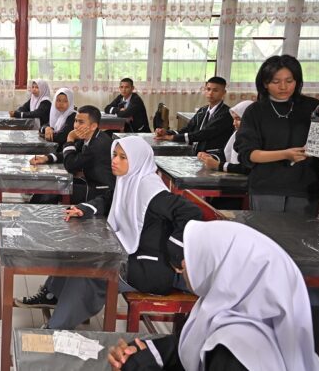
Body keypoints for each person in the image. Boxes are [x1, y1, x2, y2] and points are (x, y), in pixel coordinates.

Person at [17, 136, 201, 329]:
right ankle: (52, 295)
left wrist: (175, 250)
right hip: (132, 254)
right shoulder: (130, 179)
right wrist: (86, 208)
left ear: (137, 160)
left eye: (123, 157)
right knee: (79, 252)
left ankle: (56, 328)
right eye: (114, 155)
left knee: (92, 270)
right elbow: (110, 197)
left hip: (149, 268)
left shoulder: (152, 191)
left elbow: (191, 212)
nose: (115, 161)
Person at [107, 220, 319, 371]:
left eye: (193, 258)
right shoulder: (231, 315)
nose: (182, 266)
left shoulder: (237, 350)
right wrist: (146, 353)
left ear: (224, 268)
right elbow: (191, 346)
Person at [235, 55, 319, 216]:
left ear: (297, 81)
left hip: (306, 188)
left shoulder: (314, 107)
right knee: (267, 237)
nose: (283, 87)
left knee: (300, 239)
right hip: (267, 187)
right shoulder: (255, 111)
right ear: (265, 83)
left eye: (289, 81)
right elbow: (249, 154)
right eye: (276, 82)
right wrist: (285, 154)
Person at [29, 105, 115, 204]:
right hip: (89, 182)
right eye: (75, 121)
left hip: (100, 193)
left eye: (81, 122)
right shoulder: (90, 136)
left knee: (53, 188)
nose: (76, 126)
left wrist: (70, 138)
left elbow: (70, 164)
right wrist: (47, 158)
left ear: (93, 126)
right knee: (50, 185)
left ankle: (39, 214)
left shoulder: (98, 144)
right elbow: (70, 153)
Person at [155, 77, 234, 155]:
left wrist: (173, 137)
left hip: (213, 155)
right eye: (208, 89)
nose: (210, 93)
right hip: (197, 153)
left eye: (215, 90)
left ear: (224, 92)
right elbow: (188, 129)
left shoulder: (226, 113)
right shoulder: (202, 110)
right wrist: (167, 133)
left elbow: (204, 134)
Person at [196, 100, 252, 176]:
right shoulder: (237, 134)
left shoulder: (255, 139)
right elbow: (226, 152)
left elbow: (248, 168)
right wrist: (211, 157)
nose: (234, 123)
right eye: (234, 119)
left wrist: (219, 165)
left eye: (238, 119)